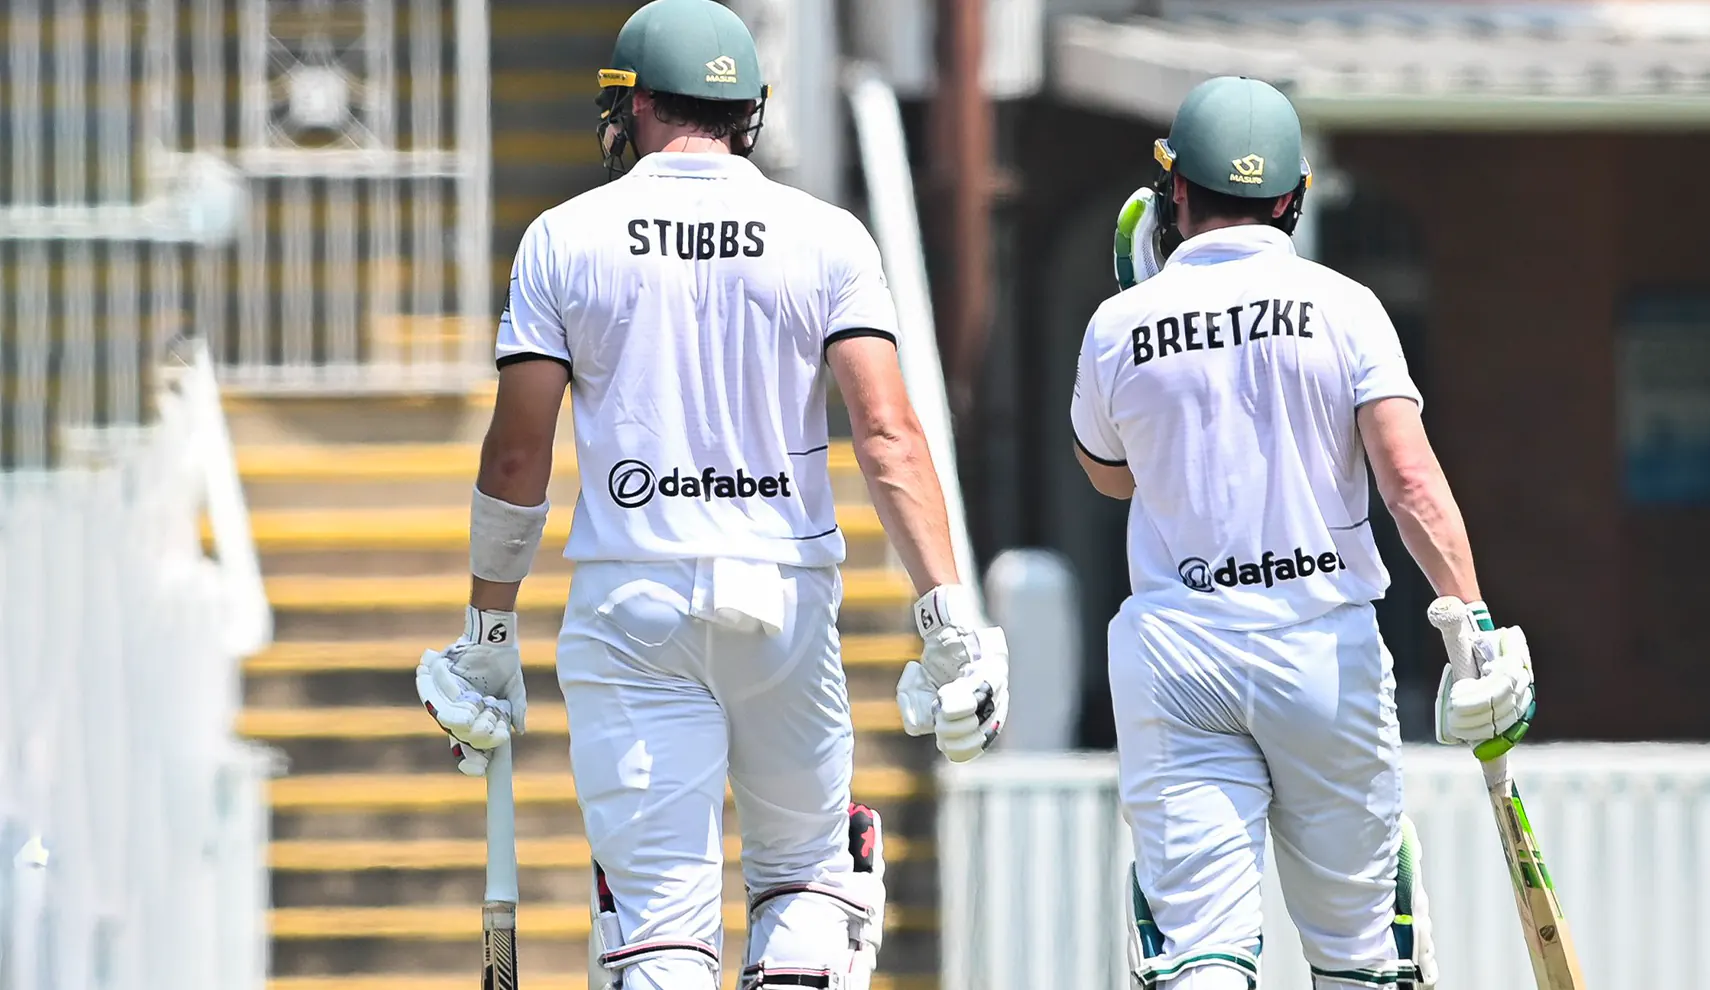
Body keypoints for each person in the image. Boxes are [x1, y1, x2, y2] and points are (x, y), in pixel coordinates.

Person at [413, 2, 1010, 988]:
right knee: (811, 888)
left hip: (629, 608)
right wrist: (950, 620)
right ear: (749, 113)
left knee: (657, 930)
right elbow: (888, 437)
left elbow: (517, 458)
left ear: (636, 105)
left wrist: (485, 638)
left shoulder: (564, 238)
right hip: (781, 604)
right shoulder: (827, 236)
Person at [1076, 75, 1537, 990]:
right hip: (1320, 650)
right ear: (1291, 198)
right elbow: (1409, 481)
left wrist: (1154, 339)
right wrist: (1474, 625)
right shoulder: (1345, 305)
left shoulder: (1116, 324)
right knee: (1362, 955)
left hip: (1179, 652)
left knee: (1203, 949)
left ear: (1176, 193)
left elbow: (1110, 475)